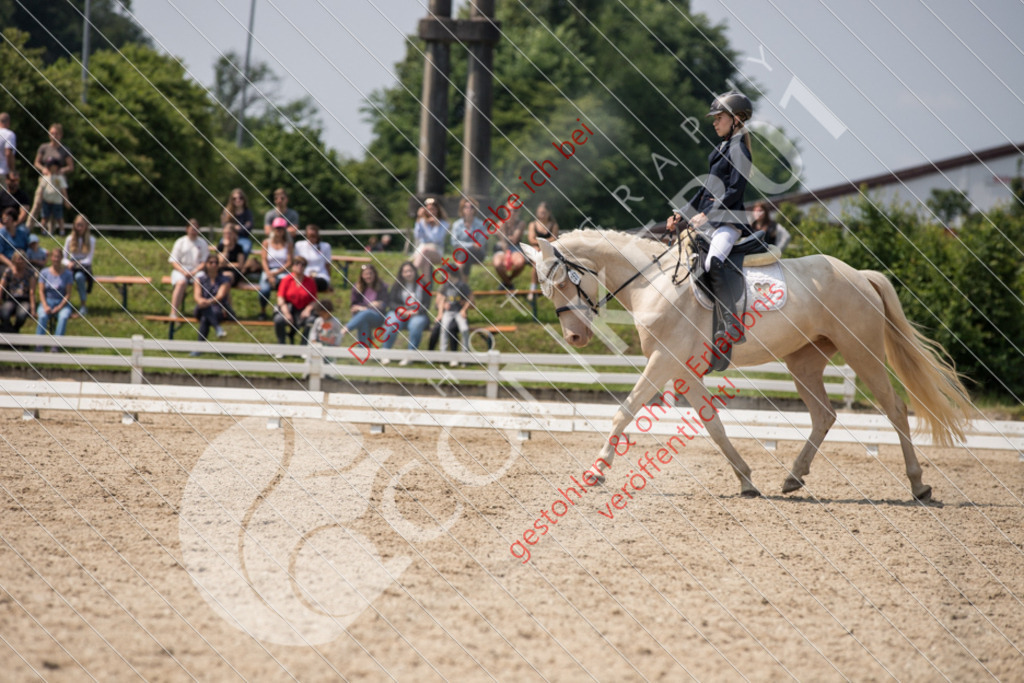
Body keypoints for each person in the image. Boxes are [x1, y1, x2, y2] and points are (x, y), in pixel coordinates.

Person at [666, 91, 754, 359]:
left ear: (736, 119)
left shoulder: (739, 149)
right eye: (714, 119)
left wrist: (709, 214)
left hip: (728, 222)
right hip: (712, 222)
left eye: (719, 118)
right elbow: (707, 189)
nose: (714, 123)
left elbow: (736, 190)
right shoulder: (722, 148)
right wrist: (681, 213)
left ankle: (732, 325)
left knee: (713, 262)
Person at [380, 261, 431, 365]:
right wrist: (399, 309)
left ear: (415, 271)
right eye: (405, 271)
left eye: (410, 271)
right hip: (399, 312)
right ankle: (385, 353)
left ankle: (410, 356)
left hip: (418, 314)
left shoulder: (423, 285)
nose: (408, 273)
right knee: (392, 322)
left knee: (415, 325)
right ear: (402, 273)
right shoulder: (397, 285)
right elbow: (391, 301)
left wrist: (415, 312)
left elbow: (426, 304)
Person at [30, 123, 73, 230]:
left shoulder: (64, 149)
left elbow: (71, 167)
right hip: (45, 179)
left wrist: (62, 170)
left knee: (55, 207)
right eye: (52, 133)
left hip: (58, 181)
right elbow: (36, 162)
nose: (54, 135)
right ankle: (28, 227)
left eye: (56, 133)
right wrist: (43, 169)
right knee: (37, 203)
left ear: (61, 135)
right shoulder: (44, 147)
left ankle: (50, 232)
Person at [168, 219, 210, 317]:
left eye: (196, 229)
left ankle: (202, 311)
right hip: (181, 269)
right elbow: (173, 261)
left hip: (197, 270)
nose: (194, 231)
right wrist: (183, 271)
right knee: (181, 282)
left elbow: (204, 262)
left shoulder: (202, 243)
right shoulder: (180, 242)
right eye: (192, 229)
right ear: (187, 229)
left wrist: (194, 271)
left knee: (200, 281)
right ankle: (173, 312)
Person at [273, 256, 318, 347]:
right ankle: (281, 345)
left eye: (303, 264)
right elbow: (280, 298)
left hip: (303, 309)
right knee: (279, 319)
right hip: (288, 308)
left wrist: (307, 310)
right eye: (297, 263)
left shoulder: (310, 281)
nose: (300, 266)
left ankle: (304, 346)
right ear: (292, 266)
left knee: (312, 320)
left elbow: (314, 300)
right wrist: (286, 313)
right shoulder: (286, 280)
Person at [340, 264, 388, 347]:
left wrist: (364, 308)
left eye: (370, 273)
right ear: (362, 275)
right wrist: (368, 306)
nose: (368, 276)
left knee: (366, 313)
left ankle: (344, 330)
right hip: (361, 316)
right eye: (366, 274)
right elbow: (354, 306)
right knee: (363, 321)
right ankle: (363, 349)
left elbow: (384, 304)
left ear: (375, 274)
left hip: (378, 317)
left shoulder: (382, 286)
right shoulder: (357, 287)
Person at [192, 254, 233, 350]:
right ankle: (217, 328)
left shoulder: (225, 280)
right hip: (201, 307)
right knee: (203, 308)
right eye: (211, 262)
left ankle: (198, 349)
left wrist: (208, 302)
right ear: (206, 264)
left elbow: (220, 296)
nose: (214, 265)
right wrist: (202, 301)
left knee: (204, 319)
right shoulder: (199, 279)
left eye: (216, 263)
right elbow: (197, 296)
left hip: (217, 310)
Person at [34, 248, 74, 346]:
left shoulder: (68, 274)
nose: (56, 259)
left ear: (61, 258)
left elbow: (68, 294)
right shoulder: (44, 272)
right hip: (47, 301)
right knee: (42, 316)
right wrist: (45, 306)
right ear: (51, 258)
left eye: (58, 257)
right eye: (54, 257)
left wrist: (59, 307)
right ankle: (39, 344)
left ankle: (56, 345)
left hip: (62, 302)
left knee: (63, 317)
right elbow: (41, 291)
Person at [257, 217, 294, 320]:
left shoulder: (288, 244)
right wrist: (269, 273)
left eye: (281, 228)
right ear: (273, 229)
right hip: (268, 270)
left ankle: (285, 310)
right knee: (264, 290)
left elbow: (289, 262)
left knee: (286, 289)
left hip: (282, 271)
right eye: (277, 228)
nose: (279, 230)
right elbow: (263, 259)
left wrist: (276, 273)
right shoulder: (266, 242)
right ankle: (263, 310)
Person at [62, 214, 95, 317]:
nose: (79, 228)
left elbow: (89, 260)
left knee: (79, 277)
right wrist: (68, 263)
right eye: (77, 225)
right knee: (66, 277)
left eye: (82, 225)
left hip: (83, 267)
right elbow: (63, 258)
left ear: (86, 226)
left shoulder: (91, 240)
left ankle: (83, 305)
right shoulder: (69, 239)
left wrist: (78, 263)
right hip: (71, 265)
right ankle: (65, 304)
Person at [437, 268, 472, 366]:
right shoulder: (446, 285)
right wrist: (440, 313)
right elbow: (442, 300)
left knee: (464, 330)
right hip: (448, 312)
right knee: (444, 329)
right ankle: (443, 355)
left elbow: (470, 299)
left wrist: (464, 310)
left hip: (459, 312)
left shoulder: (462, 285)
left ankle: (465, 356)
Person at [449, 197, 487, 275]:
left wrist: (464, 245)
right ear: (462, 209)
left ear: (475, 209)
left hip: (477, 254)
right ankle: (463, 281)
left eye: (472, 207)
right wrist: (471, 244)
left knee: (465, 253)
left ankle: (456, 275)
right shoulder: (457, 224)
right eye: (465, 207)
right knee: (465, 254)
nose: (469, 209)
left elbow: (480, 244)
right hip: (461, 253)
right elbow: (454, 242)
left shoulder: (481, 224)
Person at [492, 204, 527, 289]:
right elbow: (504, 241)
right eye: (509, 210)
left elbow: (514, 239)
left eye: (515, 210)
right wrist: (508, 237)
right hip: (501, 249)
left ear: (518, 212)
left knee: (520, 263)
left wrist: (504, 235)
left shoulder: (521, 223)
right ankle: (509, 284)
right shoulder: (501, 223)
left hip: (515, 248)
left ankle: (506, 282)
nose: (512, 212)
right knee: (497, 264)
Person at [0, 252, 35, 333]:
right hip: (11, 299)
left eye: (22, 259)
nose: (20, 261)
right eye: (18, 259)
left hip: (24, 300)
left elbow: (32, 292)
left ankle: (15, 330)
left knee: (21, 315)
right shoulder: (8, 271)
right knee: (4, 313)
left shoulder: (30, 273)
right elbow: (1, 287)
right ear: (14, 260)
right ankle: (10, 330)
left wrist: (33, 309)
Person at [527, 202, 559, 291]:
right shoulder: (533, 224)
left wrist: (542, 244)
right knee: (537, 262)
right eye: (540, 212)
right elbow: (531, 239)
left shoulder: (554, 225)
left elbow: (554, 238)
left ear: (549, 213)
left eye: (544, 213)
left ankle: (550, 286)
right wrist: (543, 243)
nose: (542, 215)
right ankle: (533, 288)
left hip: (548, 249)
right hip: (536, 249)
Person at [412, 198, 448, 273]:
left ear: (437, 210)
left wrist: (436, 226)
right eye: (428, 209)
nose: (431, 212)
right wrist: (418, 218)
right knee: (426, 260)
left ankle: (412, 272)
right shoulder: (422, 221)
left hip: (436, 250)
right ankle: (426, 280)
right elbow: (417, 236)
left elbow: (436, 239)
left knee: (425, 251)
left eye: (433, 209)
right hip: (422, 249)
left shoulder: (444, 223)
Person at [294, 223, 332, 292]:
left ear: (317, 235)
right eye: (309, 236)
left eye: (313, 236)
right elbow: (296, 263)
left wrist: (329, 281)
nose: (311, 238)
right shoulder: (299, 245)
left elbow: (327, 265)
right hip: (304, 275)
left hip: (320, 275)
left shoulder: (325, 246)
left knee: (314, 282)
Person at [38, 160, 70, 237]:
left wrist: (66, 201)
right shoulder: (45, 178)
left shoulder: (60, 178)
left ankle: (62, 232)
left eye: (55, 167)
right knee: (44, 217)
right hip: (46, 201)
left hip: (57, 201)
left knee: (59, 217)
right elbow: (41, 190)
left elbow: (63, 190)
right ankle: (43, 232)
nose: (53, 168)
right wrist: (39, 199)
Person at [219, 188, 255, 254]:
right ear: (231, 200)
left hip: (243, 238)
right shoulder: (227, 212)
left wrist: (233, 227)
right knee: (221, 247)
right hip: (228, 237)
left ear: (244, 199)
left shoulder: (248, 213)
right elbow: (224, 226)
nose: (238, 200)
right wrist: (236, 227)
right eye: (234, 198)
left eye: (240, 198)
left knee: (245, 249)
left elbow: (249, 227)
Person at [0, 113, 16, 183]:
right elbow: (8, 153)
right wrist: (12, 170)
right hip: (3, 172)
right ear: (8, 122)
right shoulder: (9, 134)